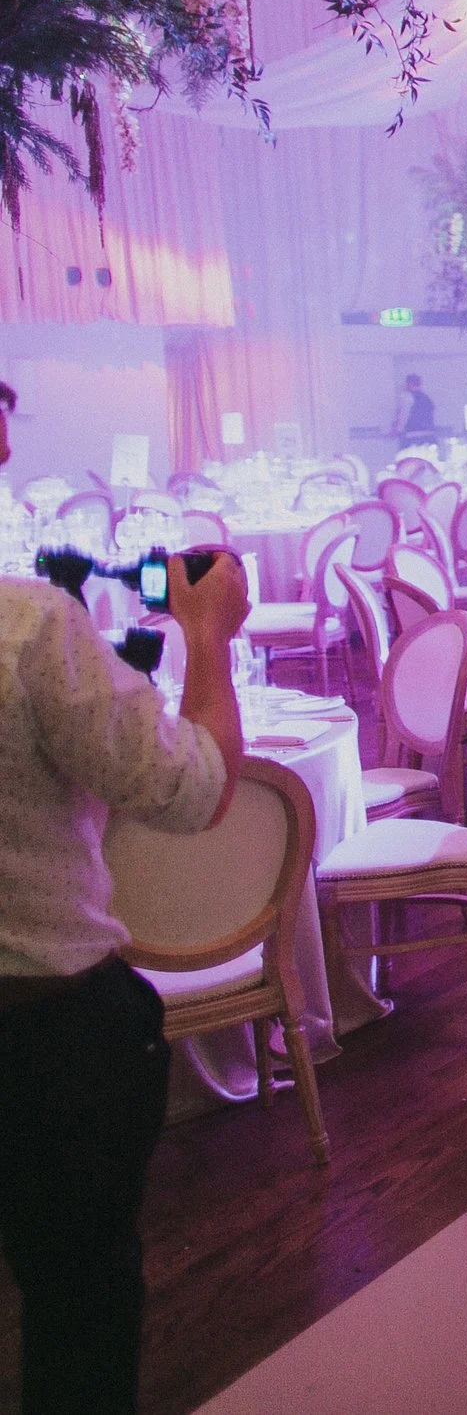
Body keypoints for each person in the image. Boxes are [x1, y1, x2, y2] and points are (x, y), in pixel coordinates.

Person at [0, 379, 252, 1415]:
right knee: (78, 1304)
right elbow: (196, 791)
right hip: (41, 1039)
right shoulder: (29, 631)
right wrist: (207, 638)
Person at [392, 374, 437, 444]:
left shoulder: (407, 396)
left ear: (409, 383)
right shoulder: (427, 398)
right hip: (429, 435)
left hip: (413, 435)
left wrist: (397, 430)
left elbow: (403, 415)